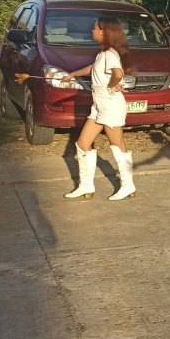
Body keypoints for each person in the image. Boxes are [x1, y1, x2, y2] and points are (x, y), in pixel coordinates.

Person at [62, 17, 137, 201]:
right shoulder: (102, 54)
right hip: (99, 105)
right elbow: (92, 69)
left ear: (104, 32)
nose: (92, 31)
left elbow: (118, 73)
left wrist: (112, 85)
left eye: (94, 28)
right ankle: (86, 185)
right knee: (82, 144)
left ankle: (128, 185)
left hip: (110, 105)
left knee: (118, 147)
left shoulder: (110, 54)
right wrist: (73, 74)